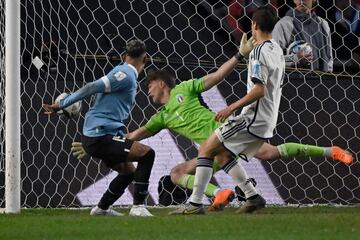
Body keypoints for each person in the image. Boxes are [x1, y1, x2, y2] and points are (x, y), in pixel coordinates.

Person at [71, 52, 352, 211]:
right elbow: (135, 135)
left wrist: (239, 55)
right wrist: (96, 143)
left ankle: (330, 152)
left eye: (150, 85)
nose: (147, 90)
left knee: (261, 153)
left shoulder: (185, 88)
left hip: (225, 133)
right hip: (212, 151)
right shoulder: (162, 117)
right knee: (180, 172)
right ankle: (225, 193)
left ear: (161, 83)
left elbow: (217, 75)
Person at [169, 6, 285, 215]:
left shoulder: (258, 52)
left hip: (252, 118)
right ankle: (252, 197)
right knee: (222, 155)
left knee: (206, 149)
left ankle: (195, 204)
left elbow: (259, 90)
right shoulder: (276, 48)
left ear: (254, 25)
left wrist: (230, 107)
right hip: (268, 118)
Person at [44, 39, 155, 217]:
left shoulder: (122, 71)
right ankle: (138, 207)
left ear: (123, 55)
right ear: (146, 58)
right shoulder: (125, 73)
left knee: (128, 172)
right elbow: (91, 86)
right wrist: (62, 104)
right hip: (99, 135)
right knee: (147, 153)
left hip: (101, 135)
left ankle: (101, 209)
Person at [272, 0, 333, 72]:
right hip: (295, 81)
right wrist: (295, 58)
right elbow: (271, 59)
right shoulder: (283, 25)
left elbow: (329, 60)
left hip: (322, 81)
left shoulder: (323, 24)